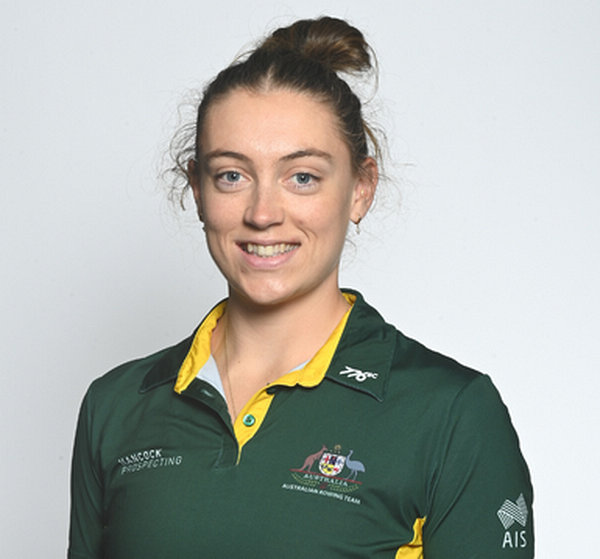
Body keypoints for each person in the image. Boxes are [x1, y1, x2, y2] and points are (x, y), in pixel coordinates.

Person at [68, 16, 534, 559]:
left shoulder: (450, 412)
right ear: (197, 190)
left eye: (303, 177)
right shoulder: (116, 406)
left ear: (360, 189)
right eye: (232, 175)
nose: (263, 213)